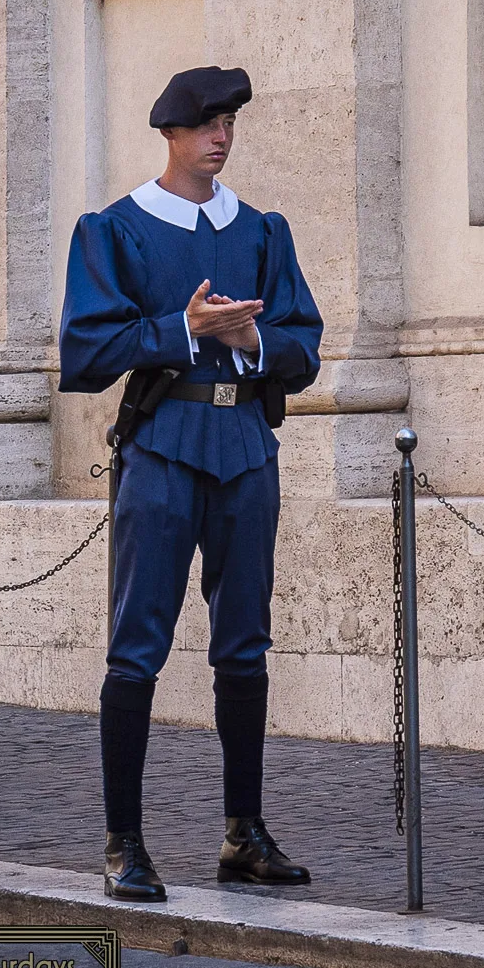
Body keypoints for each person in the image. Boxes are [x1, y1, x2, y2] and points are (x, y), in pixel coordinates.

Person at [59, 66, 324, 902]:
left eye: (230, 122)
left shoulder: (262, 230)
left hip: (246, 445)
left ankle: (243, 833)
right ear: (171, 133)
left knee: (244, 645)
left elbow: (305, 345)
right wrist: (182, 328)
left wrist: (249, 344)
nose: (222, 136)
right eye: (207, 123)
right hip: (163, 447)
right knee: (137, 643)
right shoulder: (116, 231)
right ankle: (123, 844)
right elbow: (86, 352)